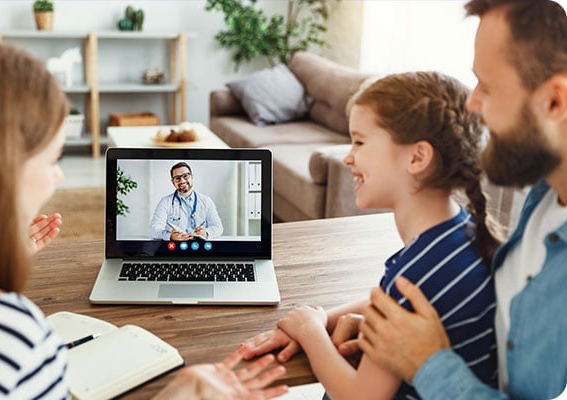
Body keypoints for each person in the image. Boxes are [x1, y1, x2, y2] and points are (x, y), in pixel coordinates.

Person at [0, 34, 288, 400]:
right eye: (52, 160)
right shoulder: (13, 343)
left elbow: (221, 228)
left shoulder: (205, 200)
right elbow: (156, 228)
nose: (58, 176)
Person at [242, 71, 502, 400]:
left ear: (417, 157)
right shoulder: (461, 233)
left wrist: (310, 333)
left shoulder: (415, 274)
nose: (349, 157)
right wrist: (322, 318)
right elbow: (389, 300)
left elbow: (360, 397)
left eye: (360, 142)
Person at [357, 1, 567, 399]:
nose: (472, 104)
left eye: (487, 85)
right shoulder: (545, 196)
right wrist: (379, 320)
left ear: (554, 101)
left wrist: (428, 363)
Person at [150, 161, 224, 241]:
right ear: (173, 182)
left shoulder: (206, 201)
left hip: (201, 247)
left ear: (192, 177)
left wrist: (206, 233)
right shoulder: (165, 202)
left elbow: (218, 227)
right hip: (176, 248)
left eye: (185, 176)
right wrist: (170, 236)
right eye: (177, 178)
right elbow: (154, 229)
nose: (182, 181)